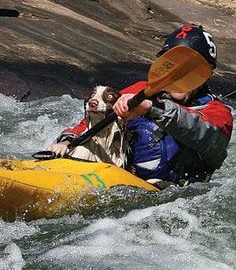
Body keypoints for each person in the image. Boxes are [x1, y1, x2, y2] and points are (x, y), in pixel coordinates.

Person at [47, 25, 233, 188]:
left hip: (171, 195)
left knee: (151, 128)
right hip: (120, 179)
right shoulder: (141, 90)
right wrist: (68, 139)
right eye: (173, 65)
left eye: (189, 68)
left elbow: (200, 130)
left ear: (205, 73)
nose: (179, 74)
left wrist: (151, 108)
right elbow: (95, 119)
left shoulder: (219, 113)